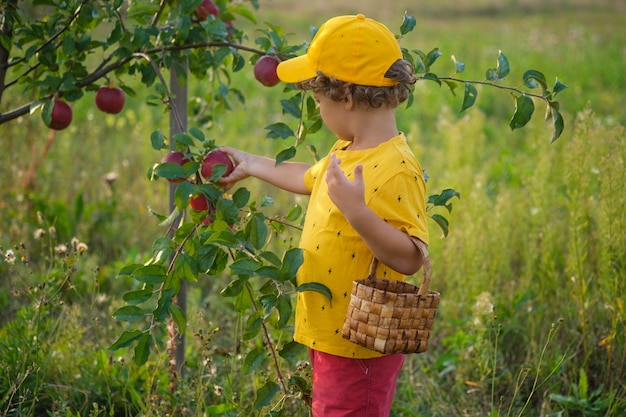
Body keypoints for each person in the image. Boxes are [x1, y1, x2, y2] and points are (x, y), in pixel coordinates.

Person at [219, 14, 429, 417]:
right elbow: (307, 177)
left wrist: (357, 212)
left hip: (360, 345)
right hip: (332, 335)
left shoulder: (396, 167)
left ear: (346, 97)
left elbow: (409, 257)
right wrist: (250, 163)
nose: (317, 110)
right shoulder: (346, 150)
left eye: (318, 101)